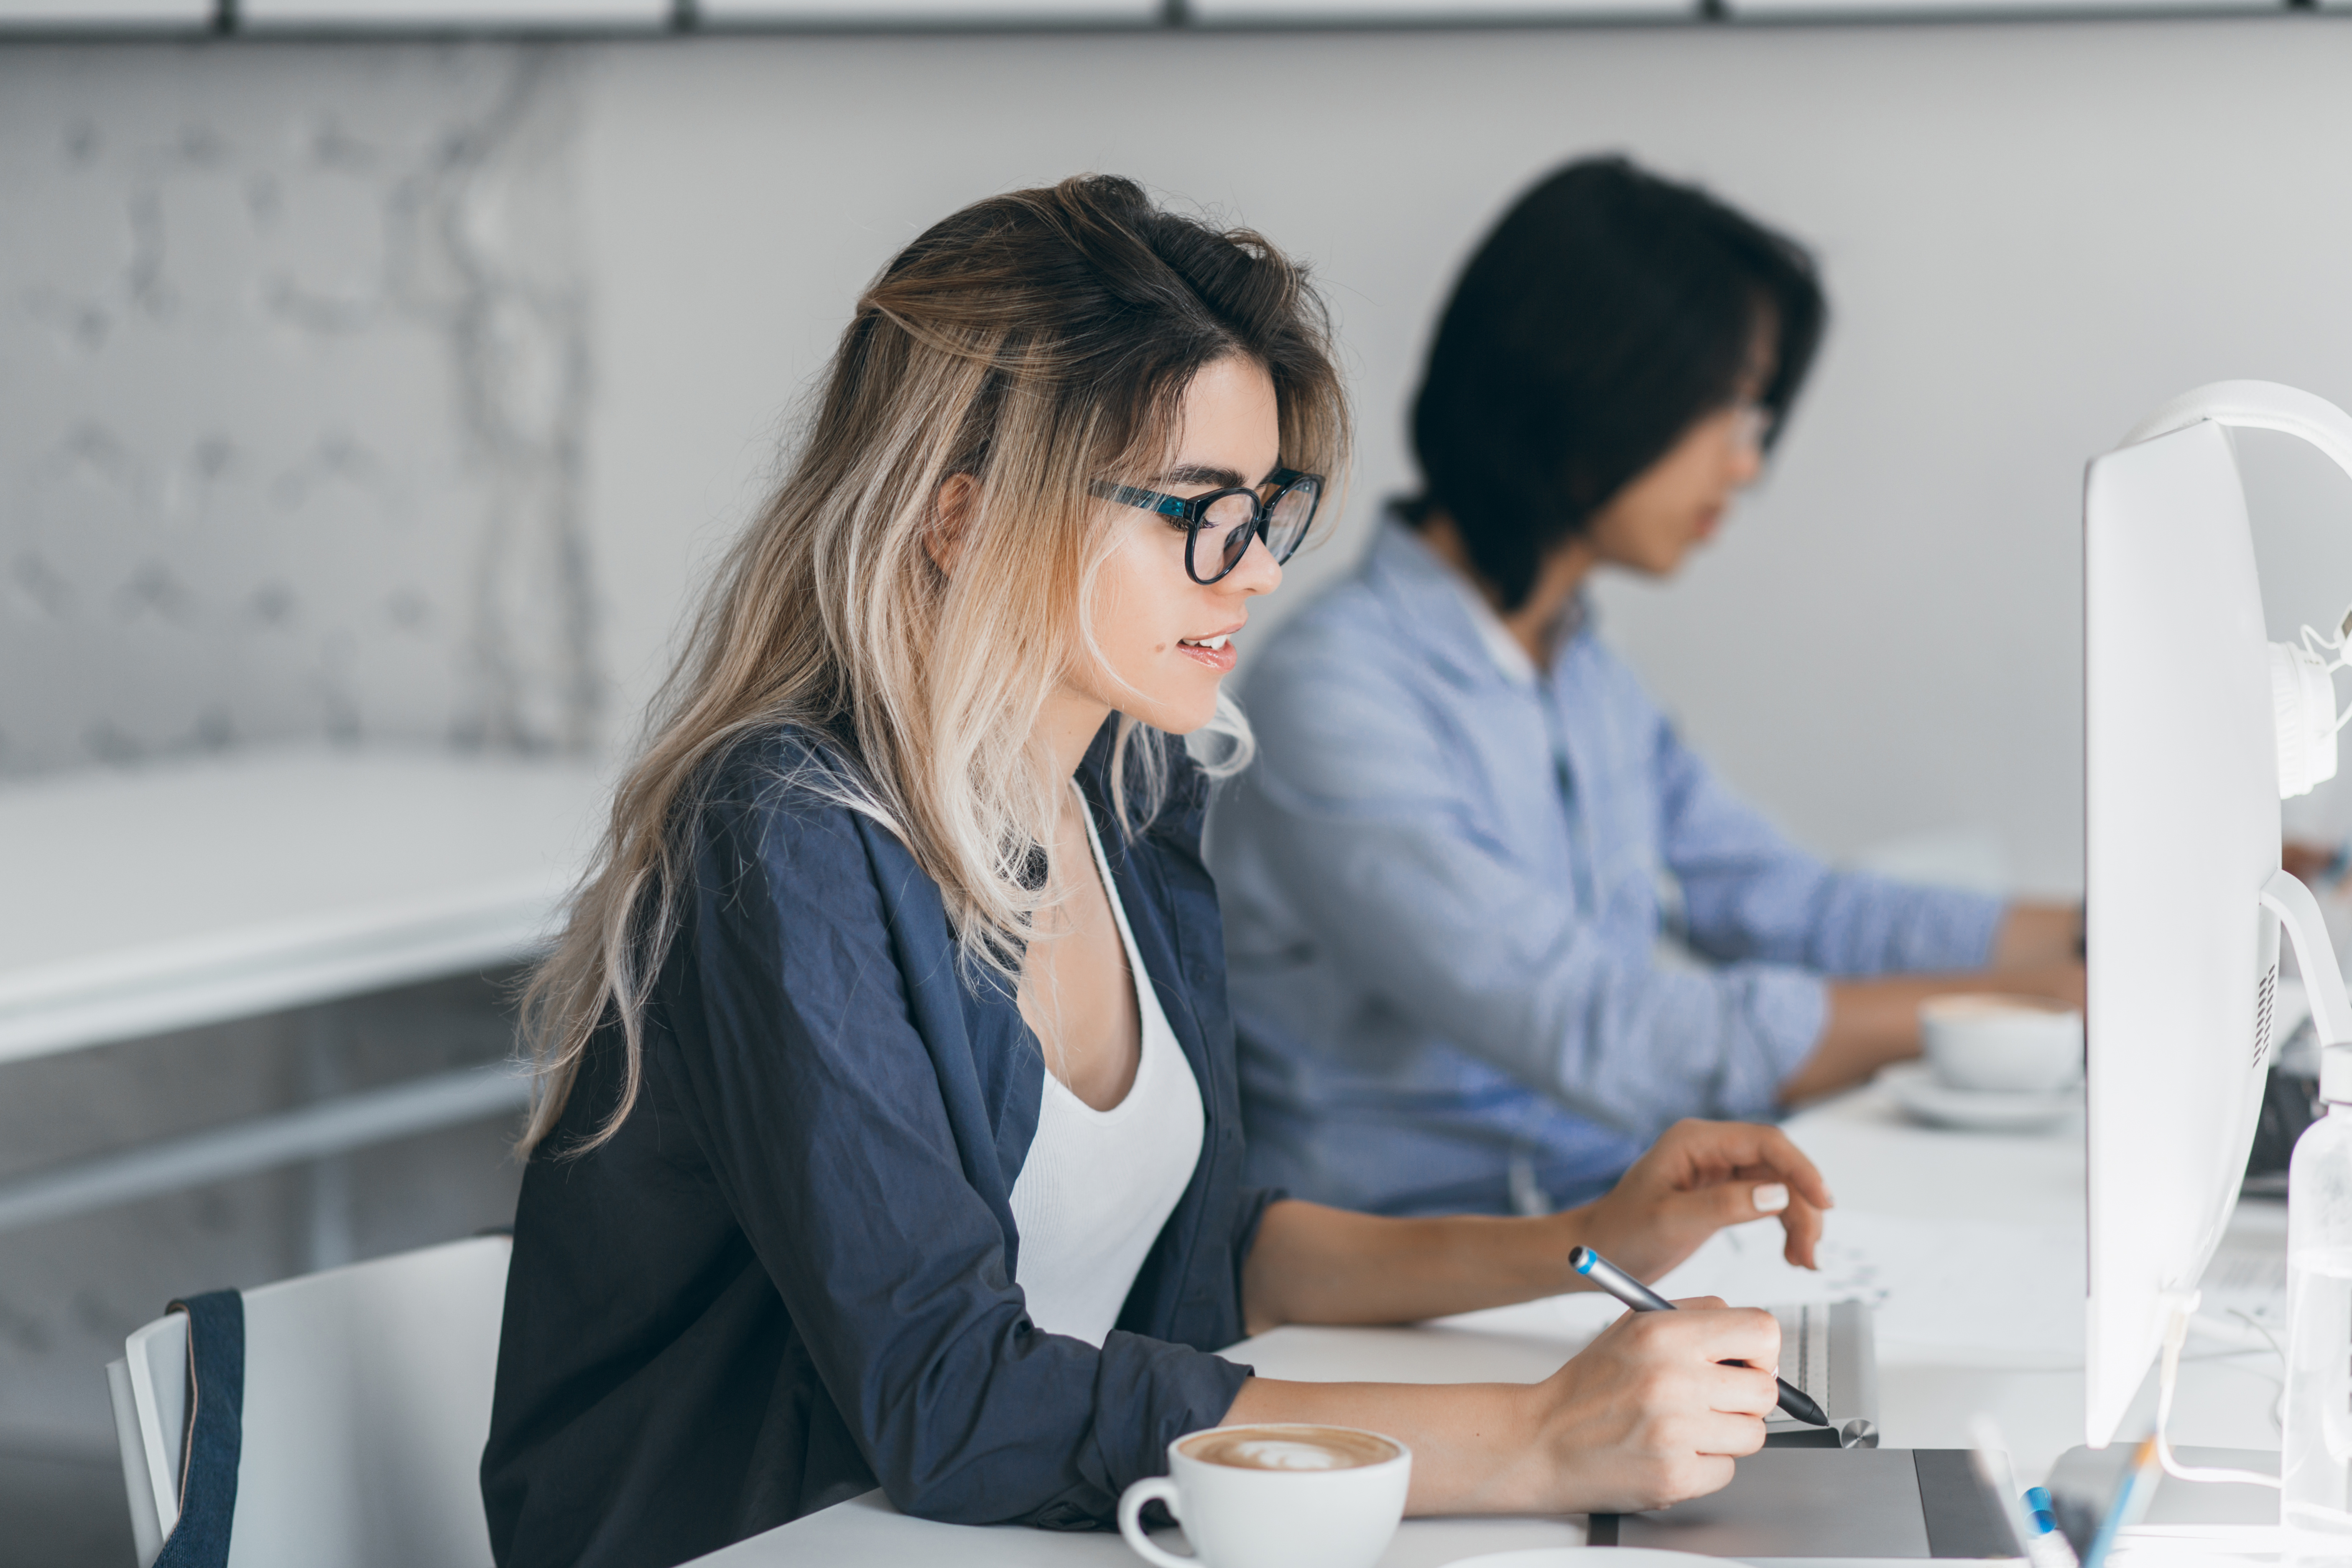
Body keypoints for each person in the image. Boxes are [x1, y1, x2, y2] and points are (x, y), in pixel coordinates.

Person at [479, 175, 1839, 1568]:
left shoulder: (1130, 797)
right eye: (1195, 509)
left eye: (1263, 509)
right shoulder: (787, 831)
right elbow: (952, 1396)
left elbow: (1201, 1253)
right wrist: (1537, 1436)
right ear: (960, 520)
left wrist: (1577, 1240)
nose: (1249, 570)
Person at [1207, 157, 2086, 1221]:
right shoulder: (1333, 698)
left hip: (1608, 1231)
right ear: (1588, 384)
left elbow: (1794, 909)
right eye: (1724, 410)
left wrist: (2125, 926)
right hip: (1425, 1286)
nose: (1744, 467)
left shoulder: (1580, 671)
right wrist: (2028, 1006)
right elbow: (1603, 1030)